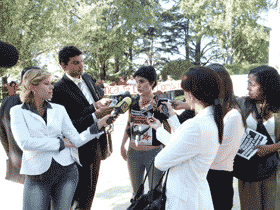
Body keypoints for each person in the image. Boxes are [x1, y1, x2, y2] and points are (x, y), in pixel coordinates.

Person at [10, 68, 113, 210]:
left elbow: (76, 140)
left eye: (51, 83)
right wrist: (60, 143)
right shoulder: (17, 112)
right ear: (32, 87)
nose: (52, 87)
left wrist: (98, 126)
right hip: (37, 176)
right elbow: (25, 143)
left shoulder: (59, 109)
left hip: (66, 172)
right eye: (47, 84)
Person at [147, 66, 224, 209]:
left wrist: (161, 129)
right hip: (195, 195)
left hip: (185, 201)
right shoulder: (209, 120)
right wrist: (164, 122)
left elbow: (160, 161)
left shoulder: (196, 125)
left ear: (192, 94)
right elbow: (183, 146)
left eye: (184, 91)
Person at [51, 46, 113, 210]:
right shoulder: (58, 90)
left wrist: (105, 109)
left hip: (98, 144)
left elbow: (94, 104)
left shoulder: (87, 78)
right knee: (79, 197)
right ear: (64, 66)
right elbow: (69, 124)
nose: (81, 66)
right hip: (79, 150)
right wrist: (95, 112)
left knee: (90, 193)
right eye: (75, 63)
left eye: (82, 62)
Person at [120, 66, 170, 200]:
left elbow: (168, 129)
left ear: (152, 82)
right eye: (136, 82)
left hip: (154, 153)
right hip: (134, 154)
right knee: (136, 194)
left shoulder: (159, 103)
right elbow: (129, 124)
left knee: (155, 195)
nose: (138, 86)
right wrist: (123, 145)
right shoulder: (133, 102)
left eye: (141, 82)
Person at [236, 65, 280, 210]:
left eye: (252, 84)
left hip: (273, 170)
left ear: (266, 86)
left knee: (271, 206)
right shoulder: (243, 103)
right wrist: (186, 105)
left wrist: (272, 147)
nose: (248, 88)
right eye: (248, 83)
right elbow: (218, 107)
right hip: (247, 171)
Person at [205, 63, 245, 210]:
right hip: (206, 177)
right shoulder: (215, 111)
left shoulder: (233, 116)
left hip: (219, 180)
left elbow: (218, 156)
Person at [0, 67, 38, 185]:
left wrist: (10, 153)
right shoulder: (40, 102)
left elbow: (2, 133)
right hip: (39, 165)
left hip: (19, 163)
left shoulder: (7, 102)